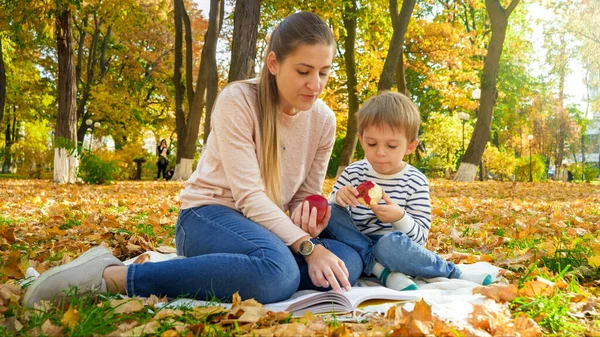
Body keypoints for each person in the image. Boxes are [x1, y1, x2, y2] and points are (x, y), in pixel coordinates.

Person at [23, 12, 362, 308]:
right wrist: (306, 247)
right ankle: (114, 277)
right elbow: (249, 197)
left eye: (324, 73)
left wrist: (308, 220)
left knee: (347, 259)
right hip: (207, 217)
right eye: (304, 71)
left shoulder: (324, 120)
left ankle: (250, 269)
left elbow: (305, 194)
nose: (314, 84)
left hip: (264, 227)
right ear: (274, 64)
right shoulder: (238, 101)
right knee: (280, 274)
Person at [321, 91, 492, 291]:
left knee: (387, 244)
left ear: (410, 146)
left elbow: (420, 239)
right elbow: (332, 221)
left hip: (395, 248)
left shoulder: (415, 181)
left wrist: (399, 217)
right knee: (329, 211)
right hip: (355, 242)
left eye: (392, 145)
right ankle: (379, 269)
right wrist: (338, 198)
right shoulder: (353, 173)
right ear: (361, 140)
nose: (380, 152)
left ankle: (453, 272)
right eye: (371, 143)